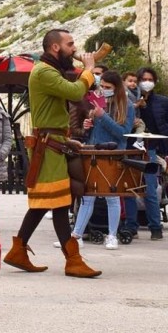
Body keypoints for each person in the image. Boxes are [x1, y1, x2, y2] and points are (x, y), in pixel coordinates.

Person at [2, 28, 102, 279]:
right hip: (47, 146)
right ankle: (73, 260)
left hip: (53, 142)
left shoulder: (49, 71)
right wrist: (89, 69)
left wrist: (66, 138)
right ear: (55, 47)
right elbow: (76, 92)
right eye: (70, 44)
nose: (74, 48)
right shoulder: (44, 72)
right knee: (59, 202)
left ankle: (18, 250)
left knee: (48, 201)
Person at [63, 70, 134, 250]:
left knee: (112, 196)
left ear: (116, 88)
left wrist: (103, 116)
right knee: (88, 196)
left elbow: (122, 133)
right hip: (93, 152)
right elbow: (91, 132)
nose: (103, 90)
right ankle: (76, 235)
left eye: (107, 87)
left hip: (113, 154)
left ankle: (112, 235)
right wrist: (88, 126)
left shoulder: (128, 106)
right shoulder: (96, 102)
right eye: (101, 86)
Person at [124, 67, 167, 240]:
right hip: (129, 147)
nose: (146, 82)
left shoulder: (163, 102)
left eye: (150, 79)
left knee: (150, 190)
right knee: (128, 190)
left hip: (150, 149)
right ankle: (131, 226)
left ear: (155, 82)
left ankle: (155, 227)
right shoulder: (127, 99)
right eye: (143, 79)